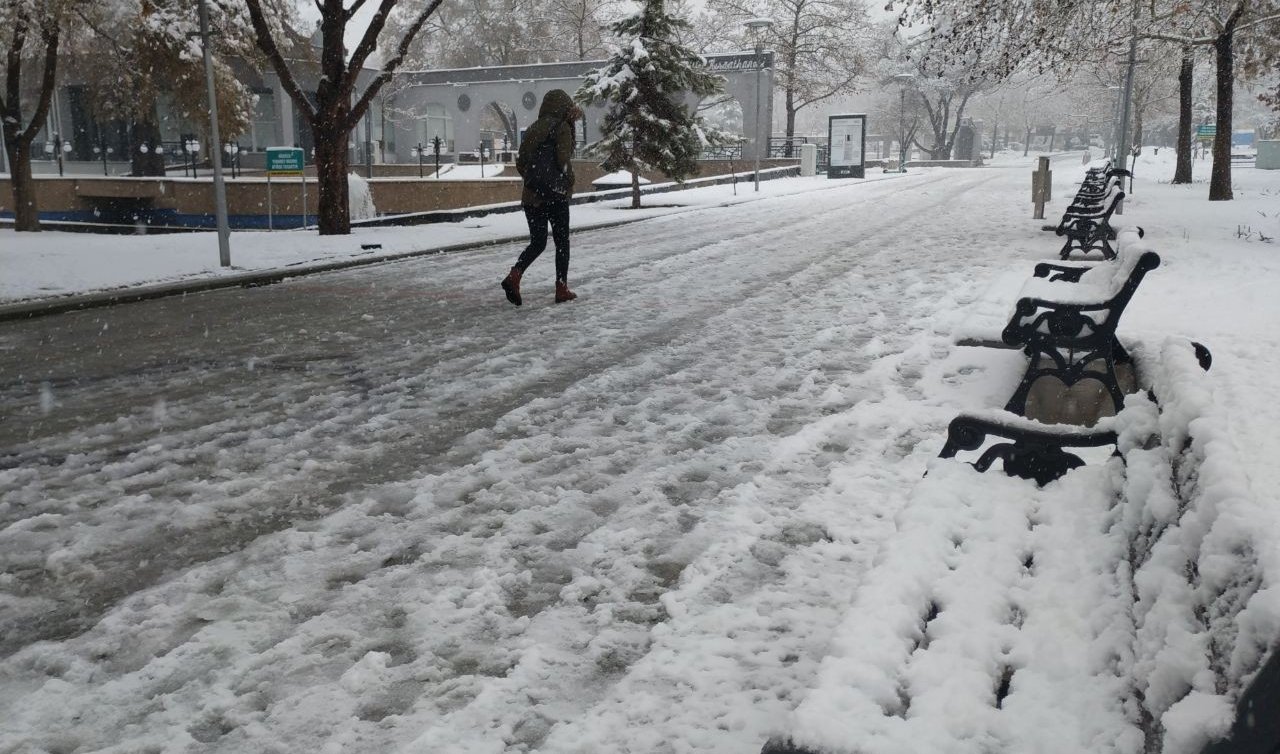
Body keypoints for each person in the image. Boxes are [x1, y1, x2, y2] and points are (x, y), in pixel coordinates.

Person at [501, 89, 581, 306]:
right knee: (562, 242)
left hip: (532, 197)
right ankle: (561, 288)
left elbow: (521, 162)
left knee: (537, 242)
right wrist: (568, 182)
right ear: (564, 108)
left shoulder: (534, 128)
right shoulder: (562, 127)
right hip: (556, 196)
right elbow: (563, 160)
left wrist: (536, 181)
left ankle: (514, 275)